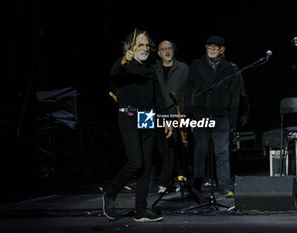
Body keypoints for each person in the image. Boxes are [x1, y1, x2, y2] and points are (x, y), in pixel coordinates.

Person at [102, 30, 172, 222]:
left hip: (147, 116)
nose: (145, 48)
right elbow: (113, 72)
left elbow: (158, 97)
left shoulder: (151, 69)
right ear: (131, 47)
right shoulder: (124, 66)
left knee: (146, 166)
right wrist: (124, 60)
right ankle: (110, 194)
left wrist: (166, 119)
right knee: (136, 162)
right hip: (129, 115)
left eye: (147, 45)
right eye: (140, 45)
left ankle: (141, 211)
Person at [185, 35, 242, 198]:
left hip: (221, 116)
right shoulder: (197, 65)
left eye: (215, 47)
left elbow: (235, 96)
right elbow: (188, 91)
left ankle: (223, 186)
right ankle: (197, 185)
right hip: (201, 113)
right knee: (200, 150)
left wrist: (233, 120)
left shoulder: (230, 68)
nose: (211, 49)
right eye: (209, 46)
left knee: (222, 152)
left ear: (222, 50)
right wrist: (189, 117)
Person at [154, 40, 189, 194]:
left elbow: (188, 93)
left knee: (172, 147)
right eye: (164, 49)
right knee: (160, 149)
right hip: (155, 113)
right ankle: (176, 177)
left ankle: (164, 182)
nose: (167, 52)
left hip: (176, 112)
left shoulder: (183, 69)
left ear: (173, 51)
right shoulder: (153, 69)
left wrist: (186, 114)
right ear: (159, 52)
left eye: (169, 49)